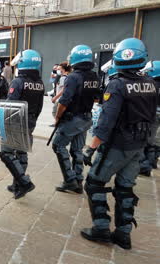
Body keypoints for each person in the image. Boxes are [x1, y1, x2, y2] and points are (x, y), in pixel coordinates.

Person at [81, 38, 156, 250]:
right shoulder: (149, 83)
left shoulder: (117, 85)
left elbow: (105, 124)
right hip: (138, 145)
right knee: (125, 187)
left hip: (117, 145)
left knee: (94, 183)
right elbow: (151, 117)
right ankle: (123, 234)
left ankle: (101, 228)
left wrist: (91, 148)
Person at [52, 44, 100, 193]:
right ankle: (78, 180)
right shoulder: (94, 76)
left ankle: (70, 180)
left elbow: (64, 102)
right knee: (77, 149)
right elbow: (97, 98)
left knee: (58, 146)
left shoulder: (73, 77)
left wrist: (58, 117)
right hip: (86, 118)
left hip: (72, 119)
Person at [0, 50, 44, 199]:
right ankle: (17, 185)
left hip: (16, 122)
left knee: (6, 152)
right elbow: (39, 106)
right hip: (30, 120)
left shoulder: (18, 82)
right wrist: (33, 121)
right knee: (22, 152)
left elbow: (10, 105)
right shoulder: (39, 83)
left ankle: (24, 182)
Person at [138, 60, 160, 176]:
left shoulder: (151, 85)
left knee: (145, 140)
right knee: (155, 141)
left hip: (151, 115)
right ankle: (153, 161)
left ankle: (145, 166)